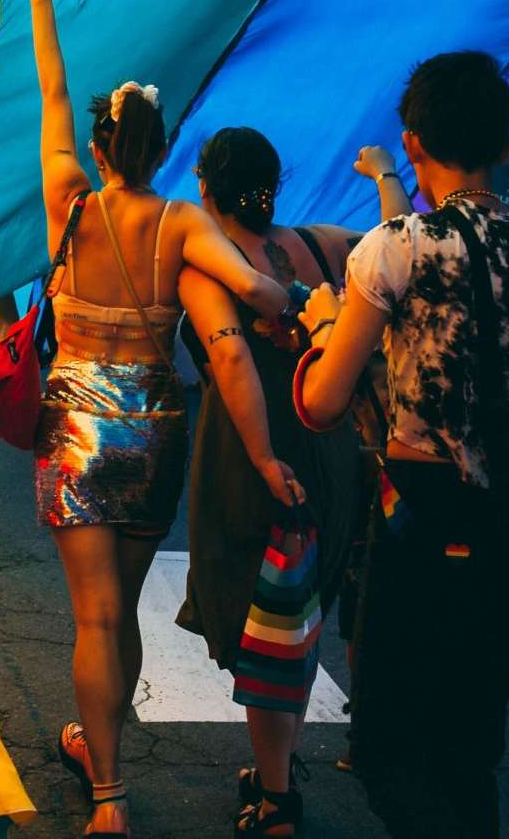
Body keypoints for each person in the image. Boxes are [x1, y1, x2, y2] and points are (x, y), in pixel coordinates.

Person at [15, 0, 288, 839]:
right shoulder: (179, 223)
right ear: (163, 149)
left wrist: (42, 0)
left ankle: (109, 797)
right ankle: (101, 750)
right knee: (120, 614)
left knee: (91, 619)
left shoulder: (71, 201)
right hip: (154, 426)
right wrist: (306, 299)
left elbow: (51, 90)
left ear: (100, 147)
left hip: (77, 424)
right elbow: (253, 287)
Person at [297, 51, 509, 838]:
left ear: (412, 142)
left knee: (391, 748)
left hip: (418, 518)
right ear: (503, 144)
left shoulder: (394, 248)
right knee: (471, 746)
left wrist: (325, 326)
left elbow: (323, 402)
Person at [176, 128, 387, 836]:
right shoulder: (325, 243)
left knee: (263, 619)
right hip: (330, 448)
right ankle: (278, 765)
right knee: (300, 616)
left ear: (208, 187)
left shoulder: (212, 266)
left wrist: (264, 458)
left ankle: (276, 800)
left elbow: (232, 364)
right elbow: (395, 241)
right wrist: (387, 175)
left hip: (253, 451)